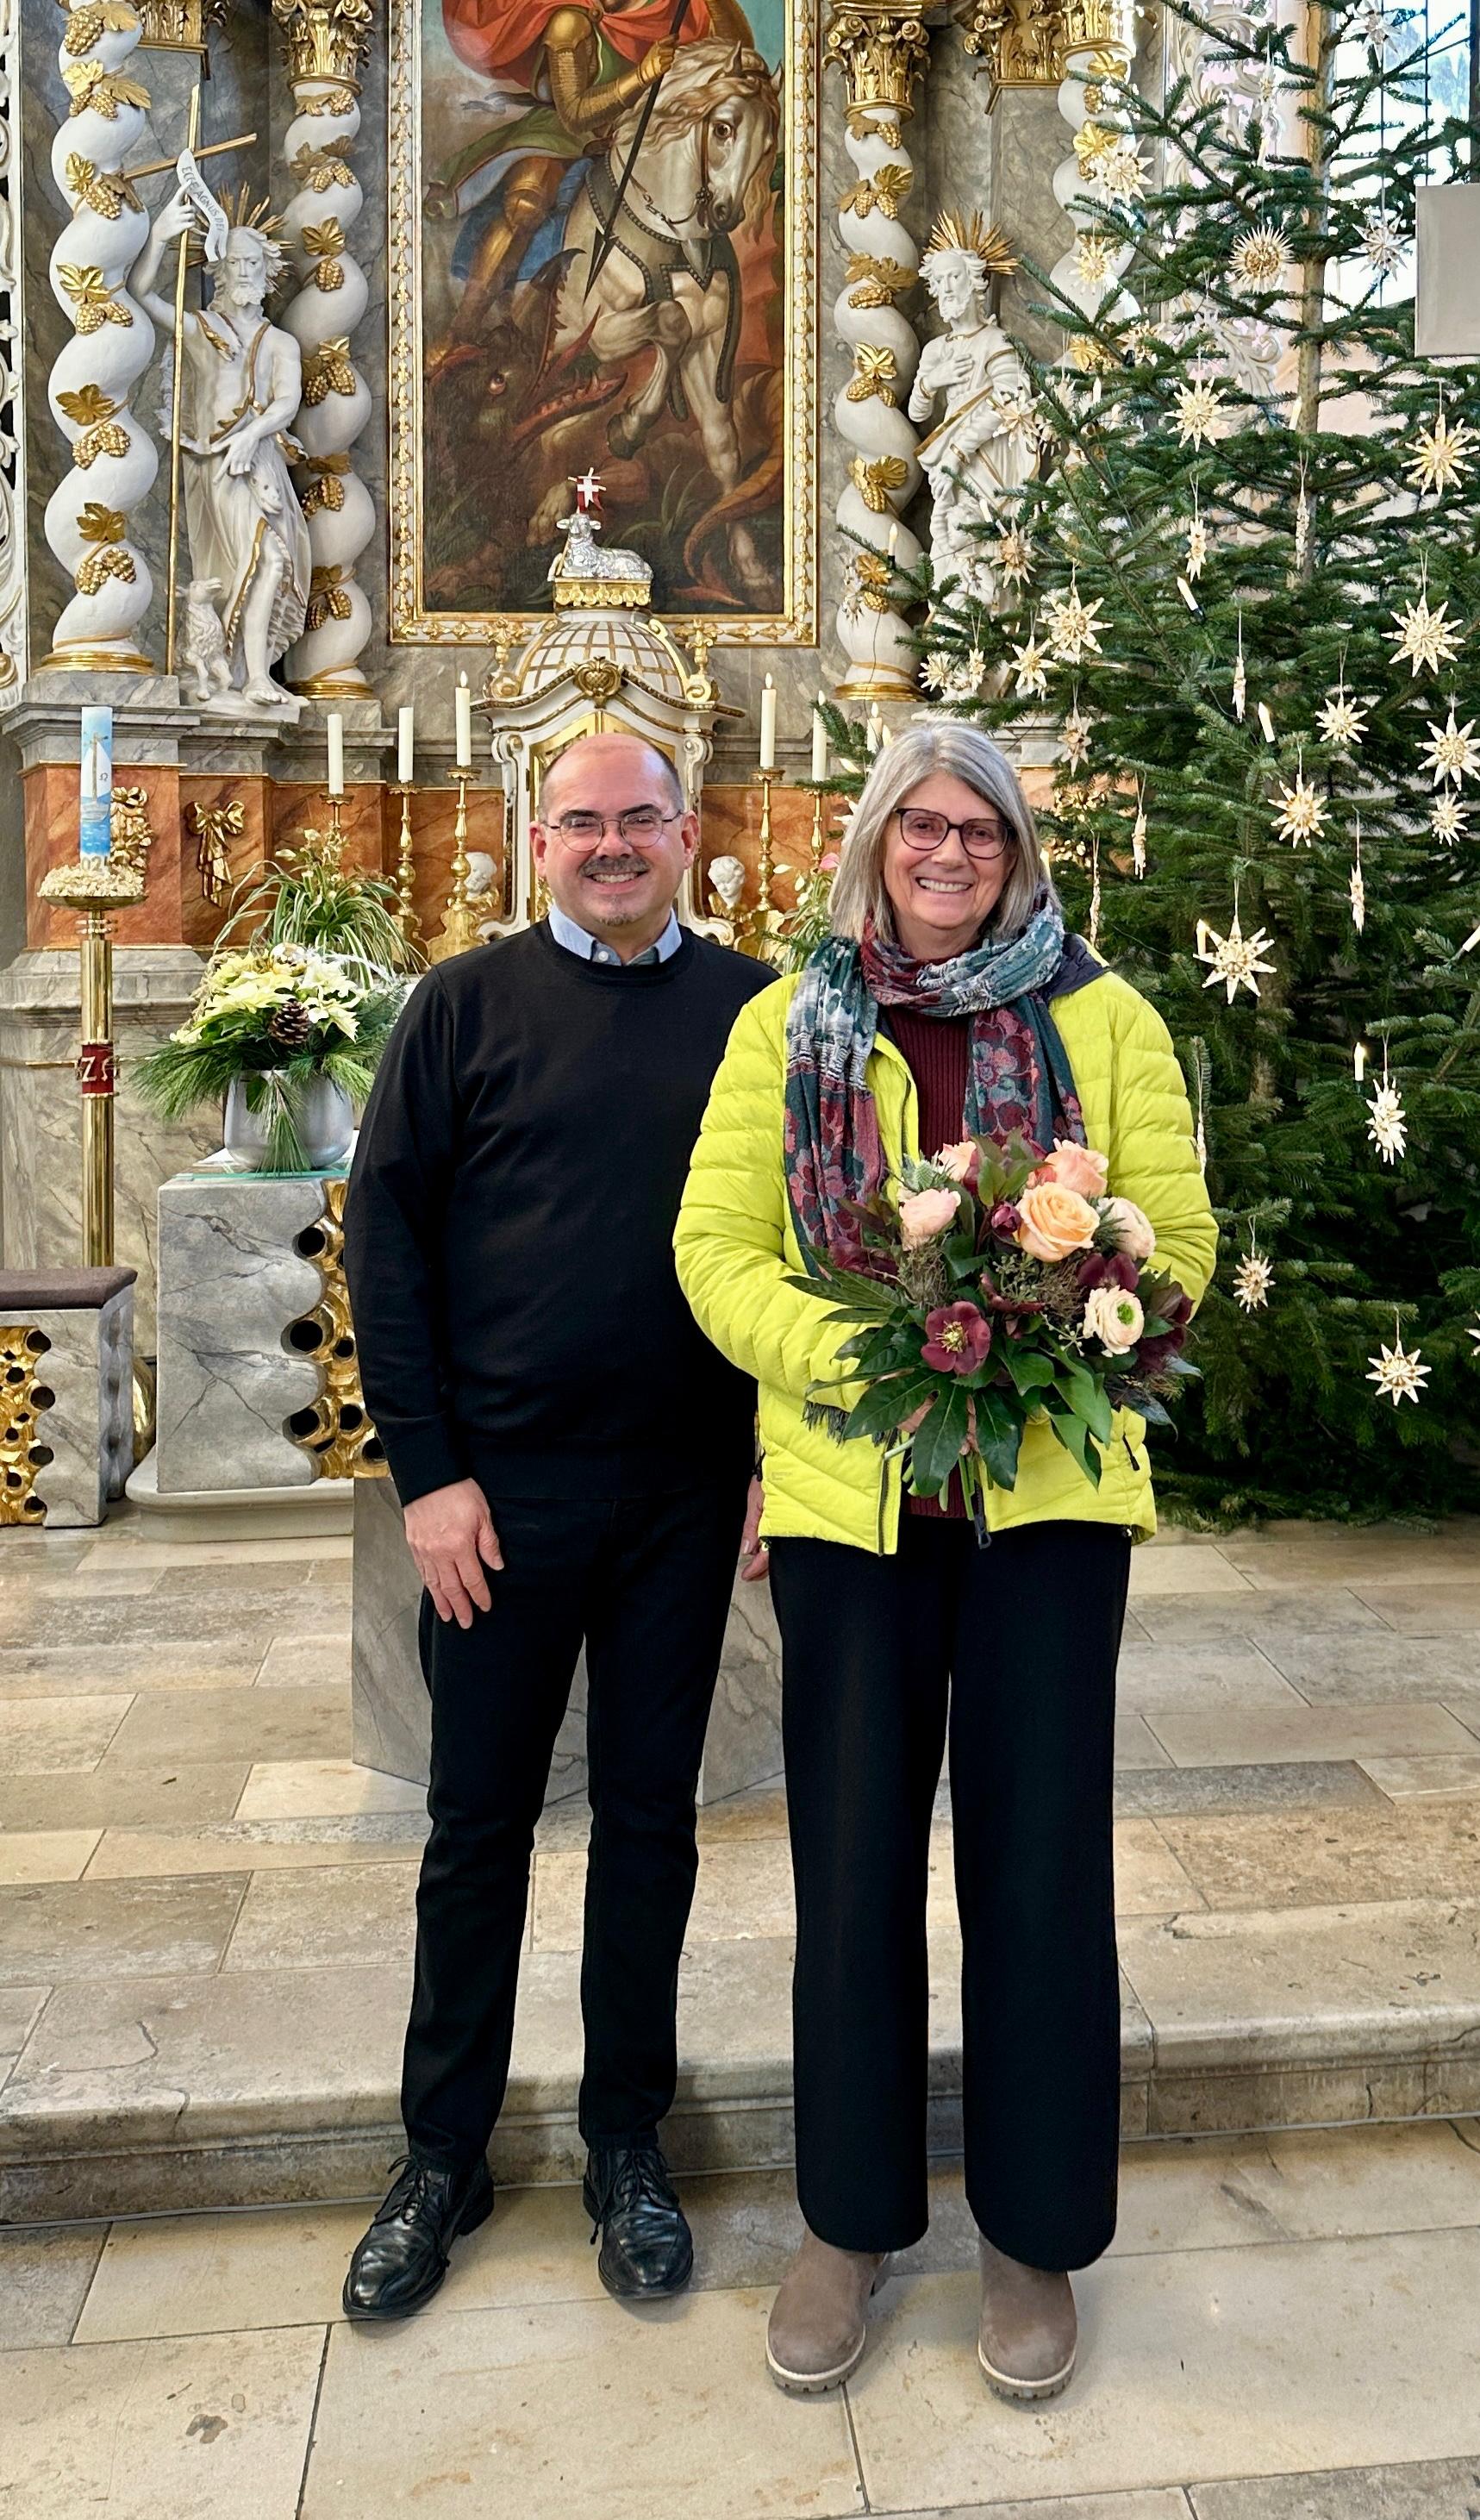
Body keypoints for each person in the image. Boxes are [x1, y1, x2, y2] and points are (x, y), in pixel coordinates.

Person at [675, 722, 1216, 2402]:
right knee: (848, 1872)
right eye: (917, 825)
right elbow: (714, 1248)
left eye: (976, 828)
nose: (945, 852)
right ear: (870, 845)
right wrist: (880, 1361)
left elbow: (1175, 1244)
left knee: (1041, 1872)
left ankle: (1031, 2234)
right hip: (856, 1512)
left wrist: (1067, 1319)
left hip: (1045, 1510)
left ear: (1017, 853)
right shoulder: (787, 1023)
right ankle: (846, 2226)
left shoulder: (1104, 1020)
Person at [341, 729, 771, 2322]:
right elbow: (385, 1247)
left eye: (638, 819)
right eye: (581, 821)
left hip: (683, 1495)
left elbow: (800, 1243)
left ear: (686, 832)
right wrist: (429, 1475)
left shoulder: (750, 1010)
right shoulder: (460, 1006)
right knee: (474, 1839)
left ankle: (624, 2142)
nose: (612, 843)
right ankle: (439, 2155)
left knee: (650, 1828)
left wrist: (771, 1470)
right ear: (535, 842)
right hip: (497, 1504)